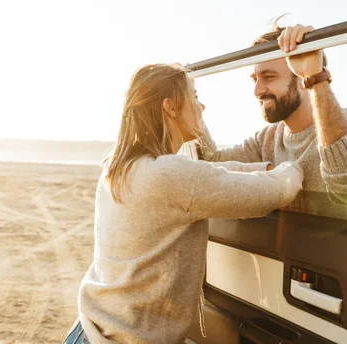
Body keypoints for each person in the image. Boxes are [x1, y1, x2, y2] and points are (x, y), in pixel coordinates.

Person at [64, 63, 304, 343]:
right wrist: (295, 168)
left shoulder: (121, 165)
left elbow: (211, 177)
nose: (202, 107)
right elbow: (273, 193)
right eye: (194, 95)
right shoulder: (169, 176)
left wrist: (261, 168)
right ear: (171, 107)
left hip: (88, 330)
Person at [197, 20, 347, 197]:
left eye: (269, 77)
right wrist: (190, 102)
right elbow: (212, 162)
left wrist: (316, 77)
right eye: (255, 79)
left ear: (303, 78)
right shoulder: (266, 139)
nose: (257, 91)